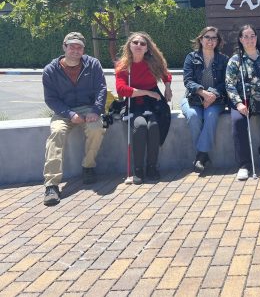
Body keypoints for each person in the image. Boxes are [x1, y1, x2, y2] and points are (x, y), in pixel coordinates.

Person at [42, 32, 107, 206]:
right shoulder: (50, 70)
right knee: (56, 133)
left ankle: (88, 166)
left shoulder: (93, 64)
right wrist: (70, 114)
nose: (75, 50)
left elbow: (101, 89)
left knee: (97, 128)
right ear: (64, 47)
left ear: (83, 49)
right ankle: (51, 185)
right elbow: (51, 99)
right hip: (63, 111)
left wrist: (96, 110)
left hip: (88, 108)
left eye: (79, 47)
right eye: (71, 46)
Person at [115, 32, 172, 184]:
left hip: (154, 102)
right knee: (140, 126)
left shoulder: (153, 62)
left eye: (142, 43)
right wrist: (147, 92)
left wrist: (167, 87)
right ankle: (138, 169)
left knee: (153, 126)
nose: (139, 45)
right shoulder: (123, 66)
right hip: (134, 102)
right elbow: (121, 90)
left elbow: (166, 74)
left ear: (147, 48)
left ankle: (152, 167)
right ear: (129, 45)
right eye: (135, 42)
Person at [225, 25, 260, 180]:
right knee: (238, 121)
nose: (249, 39)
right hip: (244, 100)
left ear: (256, 37)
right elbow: (229, 84)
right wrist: (238, 103)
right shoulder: (235, 60)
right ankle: (244, 165)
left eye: (252, 36)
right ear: (241, 39)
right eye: (246, 36)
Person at [181, 27, 229, 174]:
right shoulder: (191, 57)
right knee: (194, 116)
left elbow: (226, 82)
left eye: (214, 38)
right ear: (201, 39)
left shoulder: (223, 59)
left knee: (210, 115)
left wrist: (212, 95)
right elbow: (188, 80)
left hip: (216, 100)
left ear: (218, 41)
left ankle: (200, 156)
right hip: (193, 98)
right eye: (207, 37)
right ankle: (204, 155)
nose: (210, 41)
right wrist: (203, 93)